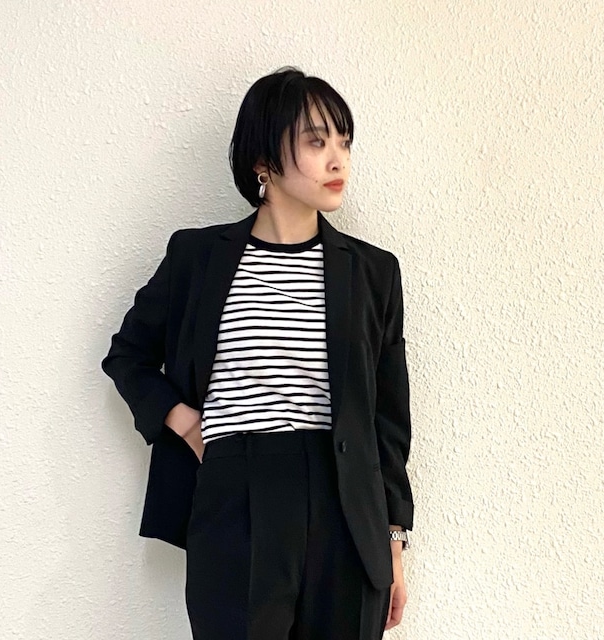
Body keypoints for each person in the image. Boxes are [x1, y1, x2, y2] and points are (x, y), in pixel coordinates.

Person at [101, 65, 414, 640]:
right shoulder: (198, 258)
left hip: (347, 507)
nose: (338, 161)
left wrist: (394, 538)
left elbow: (388, 419)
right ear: (263, 161)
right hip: (236, 497)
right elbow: (128, 355)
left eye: (343, 142)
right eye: (316, 142)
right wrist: (184, 420)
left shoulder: (373, 272)